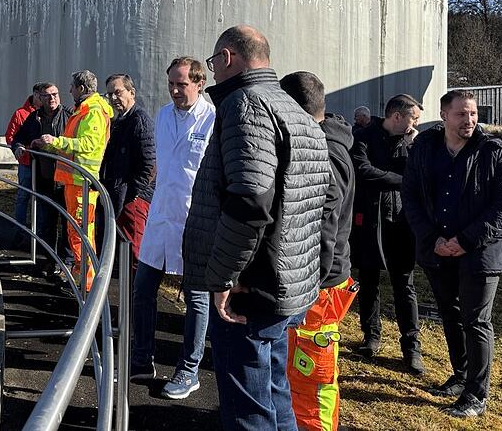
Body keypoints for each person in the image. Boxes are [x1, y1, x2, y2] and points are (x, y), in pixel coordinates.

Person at [182, 26, 331, 430]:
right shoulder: (293, 108)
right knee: (274, 390)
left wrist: (225, 277)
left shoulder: (245, 103)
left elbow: (250, 200)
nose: (212, 74)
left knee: (248, 407)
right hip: (286, 283)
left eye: (213, 64)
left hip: (251, 289)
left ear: (228, 58)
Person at [402, 90, 502, 418]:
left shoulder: (494, 151)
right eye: (461, 114)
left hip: (481, 252)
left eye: (472, 114)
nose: (469, 120)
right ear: (444, 115)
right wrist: (433, 238)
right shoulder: (425, 148)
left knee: (476, 320)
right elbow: (410, 194)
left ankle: (476, 394)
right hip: (438, 248)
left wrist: (465, 240)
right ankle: (460, 376)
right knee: (450, 314)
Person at [130, 57, 216, 400]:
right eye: (171, 84)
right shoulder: (163, 115)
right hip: (160, 216)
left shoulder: (213, 119)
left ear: (199, 83)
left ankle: (188, 369)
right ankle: (141, 357)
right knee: (142, 289)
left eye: (182, 84)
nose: (175, 90)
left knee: (196, 298)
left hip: (194, 220)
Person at [280, 71, 358, 431]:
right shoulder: (327, 143)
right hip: (317, 282)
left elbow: (324, 224)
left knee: (313, 378)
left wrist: (310, 281)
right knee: (299, 372)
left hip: (319, 287)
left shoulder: (323, 151)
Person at [349, 94, 425, 375]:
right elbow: (363, 170)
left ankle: (411, 347)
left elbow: (422, 174)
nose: (415, 123)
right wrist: (402, 182)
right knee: (369, 281)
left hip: (402, 222)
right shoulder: (365, 137)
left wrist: (415, 146)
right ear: (396, 116)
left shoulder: (414, 142)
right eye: (413, 118)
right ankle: (371, 335)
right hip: (370, 221)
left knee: (405, 285)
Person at [33, 70, 113, 291]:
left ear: (82, 89)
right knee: (76, 230)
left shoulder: (93, 112)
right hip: (75, 180)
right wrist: (50, 145)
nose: (69, 90)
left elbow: (88, 144)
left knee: (81, 231)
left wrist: (56, 141)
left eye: (72, 87)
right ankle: (81, 272)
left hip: (83, 182)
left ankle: (87, 283)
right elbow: (74, 144)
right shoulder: (85, 110)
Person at [12, 83, 72, 266]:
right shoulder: (34, 117)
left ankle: (68, 262)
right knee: (47, 223)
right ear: (40, 98)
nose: (52, 98)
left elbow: (77, 143)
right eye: (47, 96)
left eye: (55, 94)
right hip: (44, 178)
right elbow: (18, 138)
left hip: (65, 180)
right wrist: (20, 147)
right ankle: (49, 261)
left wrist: (57, 143)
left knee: (68, 224)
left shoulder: (70, 116)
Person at [100, 73, 155, 265]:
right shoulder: (121, 121)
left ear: (132, 92)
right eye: (109, 95)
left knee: (133, 250)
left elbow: (149, 164)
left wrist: (132, 194)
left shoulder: (139, 120)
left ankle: (135, 293)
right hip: (121, 196)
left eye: (117, 93)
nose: (113, 99)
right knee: (124, 248)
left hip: (133, 199)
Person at [5, 84, 42, 232]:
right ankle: (19, 231)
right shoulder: (21, 113)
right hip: (26, 163)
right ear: (35, 95)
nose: (45, 99)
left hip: (42, 164)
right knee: (23, 197)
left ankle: (39, 233)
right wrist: (20, 149)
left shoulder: (48, 113)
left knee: (41, 200)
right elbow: (11, 136)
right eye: (41, 96)